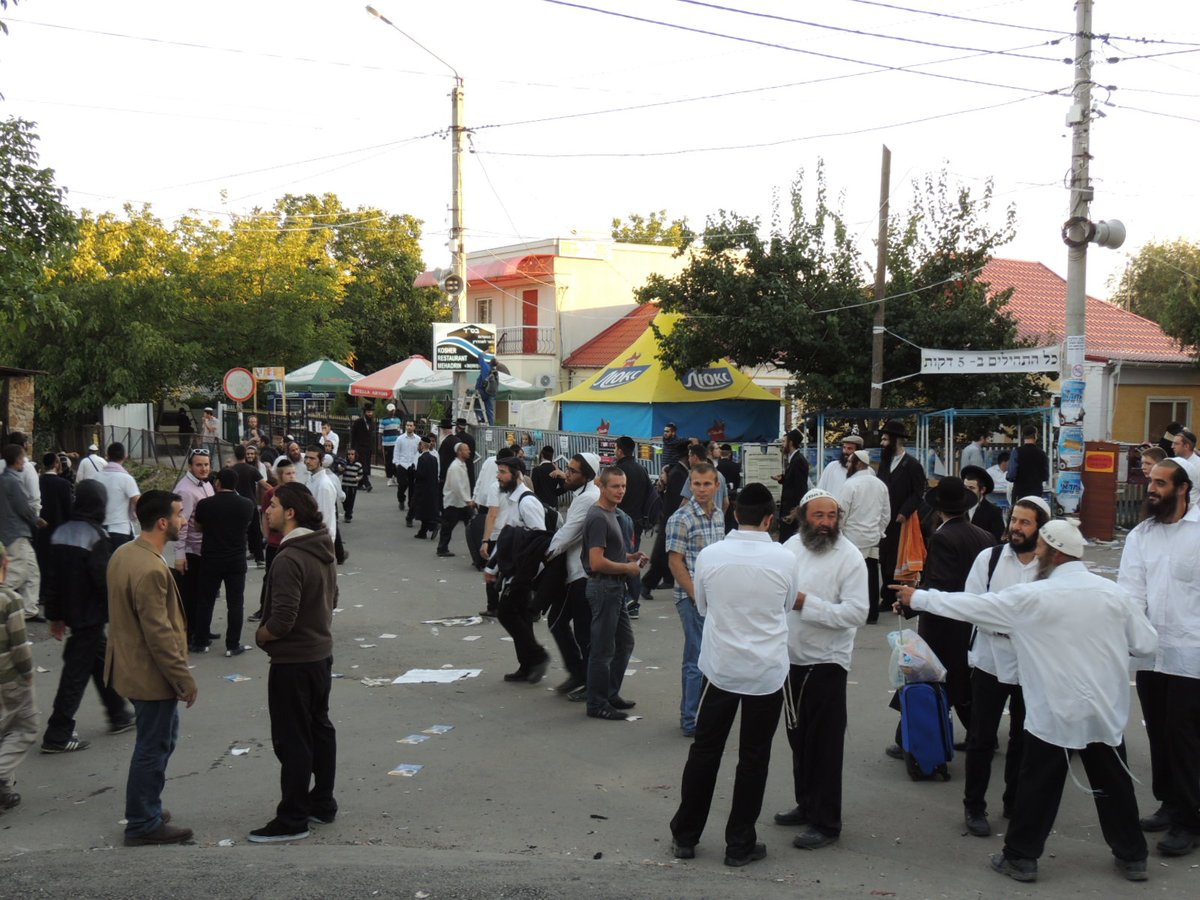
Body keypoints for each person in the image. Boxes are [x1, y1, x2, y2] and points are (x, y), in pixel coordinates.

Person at [894, 519, 1158, 884]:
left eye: (1041, 550)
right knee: (1114, 785)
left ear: (1054, 552)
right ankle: (1132, 858)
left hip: (1053, 712)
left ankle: (1021, 857)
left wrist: (917, 597)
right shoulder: (1112, 594)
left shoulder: (1033, 597)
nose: (1036, 556)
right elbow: (1146, 644)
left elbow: (971, 606)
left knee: (1037, 788)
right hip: (1104, 711)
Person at [669, 483, 796, 867]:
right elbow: (788, 604)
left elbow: (703, 604)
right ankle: (739, 843)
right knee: (754, 758)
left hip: (721, 668)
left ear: (734, 513)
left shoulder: (711, 555)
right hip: (766, 672)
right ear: (770, 519)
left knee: (705, 751)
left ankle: (686, 836)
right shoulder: (785, 558)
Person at [768, 489, 867, 850]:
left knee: (824, 745)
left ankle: (826, 823)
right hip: (789, 658)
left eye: (832, 516)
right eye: (819, 516)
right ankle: (806, 804)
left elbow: (857, 613)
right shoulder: (788, 549)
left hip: (827, 662)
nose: (826, 523)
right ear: (802, 516)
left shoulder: (850, 557)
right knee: (799, 739)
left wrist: (808, 604)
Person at [105, 490, 197, 846]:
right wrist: (183, 679)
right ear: (163, 522)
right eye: (178, 514)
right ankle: (143, 821)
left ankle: (148, 808)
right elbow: (159, 634)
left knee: (160, 739)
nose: (183, 520)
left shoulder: (124, 553)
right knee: (153, 746)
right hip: (150, 673)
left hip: (129, 667)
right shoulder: (150, 568)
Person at [1119, 459, 1200, 856]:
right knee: (1159, 733)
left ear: (1183, 488)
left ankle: (1190, 820)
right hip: (1152, 655)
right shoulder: (1140, 535)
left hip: (1192, 655)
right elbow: (1131, 592)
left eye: (1160, 483)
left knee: (1186, 737)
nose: (1151, 488)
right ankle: (1169, 804)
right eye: (1150, 481)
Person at [249, 482, 338, 843]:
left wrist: (262, 635)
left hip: (294, 660)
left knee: (293, 739)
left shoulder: (289, 558)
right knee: (319, 729)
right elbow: (333, 598)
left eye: (273, 505)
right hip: (319, 655)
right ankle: (322, 802)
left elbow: (283, 617)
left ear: (290, 513)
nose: (266, 510)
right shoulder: (321, 548)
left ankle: (293, 817)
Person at [887, 476, 995, 758]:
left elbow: (939, 584)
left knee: (926, 676)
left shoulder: (943, 537)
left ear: (938, 510)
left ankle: (910, 738)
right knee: (960, 682)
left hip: (944, 621)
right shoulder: (983, 536)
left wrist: (910, 602)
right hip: (971, 618)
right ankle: (980, 734)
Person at [961, 496, 1048, 838]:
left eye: (1025, 522)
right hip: (989, 658)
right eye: (1015, 520)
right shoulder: (990, 558)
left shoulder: (1048, 565)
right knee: (981, 738)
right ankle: (974, 806)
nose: (1016, 527)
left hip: (1031, 662)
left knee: (1024, 738)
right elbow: (971, 605)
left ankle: (1015, 801)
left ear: (1040, 527)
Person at [41, 480, 134, 754]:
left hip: (72, 614)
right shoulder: (96, 537)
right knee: (75, 674)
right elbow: (104, 581)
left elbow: (53, 579)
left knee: (99, 662)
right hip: (90, 617)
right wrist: (121, 613)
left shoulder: (61, 533)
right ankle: (58, 732)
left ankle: (118, 712)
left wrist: (55, 615)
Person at [667, 461, 726, 737]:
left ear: (716, 486)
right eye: (696, 484)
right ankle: (690, 719)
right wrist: (696, 595)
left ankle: (704, 712)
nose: (701, 489)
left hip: (715, 597)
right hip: (690, 597)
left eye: (706, 484)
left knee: (711, 656)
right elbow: (675, 563)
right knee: (695, 658)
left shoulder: (718, 516)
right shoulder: (681, 518)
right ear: (690, 485)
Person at [582, 467, 645, 720]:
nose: (620, 491)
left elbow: (610, 553)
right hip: (604, 587)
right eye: (615, 486)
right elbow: (596, 562)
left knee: (625, 643)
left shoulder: (611, 515)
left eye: (623, 486)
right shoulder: (598, 516)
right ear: (602, 486)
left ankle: (609, 693)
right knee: (603, 649)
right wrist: (627, 568)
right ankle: (596, 703)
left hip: (614, 587)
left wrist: (631, 557)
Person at [486, 456, 552, 683]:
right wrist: (492, 566)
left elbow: (539, 540)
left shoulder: (527, 502)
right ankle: (527, 666)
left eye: (503, 472)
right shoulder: (512, 500)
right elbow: (507, 535)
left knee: (506, 613)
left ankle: (537, 655)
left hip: (524, 573)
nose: (498, 476)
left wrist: (525, 577)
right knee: (521, 617)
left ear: (516, 474)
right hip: (514, 570)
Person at [543, 453, 601, 697]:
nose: (567, 474)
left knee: (573, 628)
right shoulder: (585, 496)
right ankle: (581, 675)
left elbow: (569, 534)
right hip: (578, 572)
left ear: (587, 476)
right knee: (568, 625)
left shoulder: (587, 499)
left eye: (573, 471)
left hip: (579, 574)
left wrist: (544, 555)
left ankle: (586, 679)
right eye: (568, 469)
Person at [193, 469, 256, 658]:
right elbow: (247, 525)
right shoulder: (246, 504)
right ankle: (233, 644)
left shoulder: (205, 504)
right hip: (236, 559)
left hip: (211, 557)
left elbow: (197, 527)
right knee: (235, 603)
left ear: (217, 483)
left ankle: (201, 641)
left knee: (205, 600)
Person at [0, 541, 37, 814]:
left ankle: (5, 790)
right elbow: (20, 646)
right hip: (10, 677)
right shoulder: (9, 600)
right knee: (26, 728)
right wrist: (27, 673)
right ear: (6, 563)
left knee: (4, 729)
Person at [876, 419, 926, 612]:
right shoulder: (884, 462)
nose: (882, 443)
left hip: (900, 519)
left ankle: (895, 597)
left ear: (896, 440)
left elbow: (918, 492)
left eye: (885, 439)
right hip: (884, 519)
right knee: (884, 557)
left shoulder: (911, 464)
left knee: (896, 560)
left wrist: (904, 512)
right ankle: (887, 596)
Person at [837, 449, 890, 625]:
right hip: (873, 538)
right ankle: (872, 613)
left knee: (853, 577)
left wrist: (840, 533)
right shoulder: (880, 484)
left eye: (850, 461)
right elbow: (886, 514)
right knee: (872, 574)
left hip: (852, 539)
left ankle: (854, 612)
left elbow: (842, 513)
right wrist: (878, 531)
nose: (847, 464)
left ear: (859, 463)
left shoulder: (850, 485)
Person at [171, 448, 214, 651]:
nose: (203, 468)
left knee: (203, 593)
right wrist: (180, 555)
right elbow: (181, 524)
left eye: (206, 464)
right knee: (191, 595)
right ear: (190, 466)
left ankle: (201, 628)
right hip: (191, 551)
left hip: (204, 548)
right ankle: (189, 634)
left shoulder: (206, 485)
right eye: (199, 464)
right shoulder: (186, 490)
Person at [249, 458, 297, 624]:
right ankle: (264, 608)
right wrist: (267, 536)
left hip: (293, 541)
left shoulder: (299, 493)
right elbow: (265, 515)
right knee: (269, 577)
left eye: (293, 473)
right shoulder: (272, 494)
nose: (291, 477)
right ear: (279, 476)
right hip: (275, 543)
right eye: (288, 474)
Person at [0, 444, 44, 622]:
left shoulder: (3, 479)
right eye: (23, 456)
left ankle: (29, 609)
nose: (25, 459)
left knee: (32, 571)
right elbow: (22, 507)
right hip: (16, 531)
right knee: (18, 573)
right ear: (18, 459)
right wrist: (36, 520)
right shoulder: (13, 481)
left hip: (7, 531)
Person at [437, 443, 474, 558]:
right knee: (448, 526)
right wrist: (468, 500)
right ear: (459, 452)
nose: (469, 452)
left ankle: (476, 549)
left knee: (472, 526)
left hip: (462, 502)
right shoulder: (455, 467)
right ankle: (442, 548)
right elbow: (457, 486)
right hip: (454, 502)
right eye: (466, 450)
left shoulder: (462, 464)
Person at [773, 430, 809, 544]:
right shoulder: (794, 459)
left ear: (791, 442)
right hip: (789, 508)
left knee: (789, 541)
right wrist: (783, 479)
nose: (783, 444)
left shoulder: (798, 461)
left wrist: (795, 512)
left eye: (784, 441)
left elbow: (800, 488)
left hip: (792, 511)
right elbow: (793, 481)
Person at [232, 444, 265, 566]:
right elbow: (264, 484)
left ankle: (237, 558)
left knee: (238, 532)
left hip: (236, 504)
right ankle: (259, 558)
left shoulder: (231, 470)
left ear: (235, 455)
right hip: (251, 503)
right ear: (245, 455)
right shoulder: (251, 469)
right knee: (255, 531)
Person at [614, 436, 651, 547]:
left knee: (619, 555)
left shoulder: (618, 471)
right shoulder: (642, 469)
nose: (614, 451)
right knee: (633, 553)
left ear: (620, 451)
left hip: (620, 519)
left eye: (615, 448)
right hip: (638, 520)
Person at [962, 465, 1005, 541]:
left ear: (982, 490)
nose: (967, 492)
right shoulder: (957, 508)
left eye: (971, 488)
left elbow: (996, 540)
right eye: (965, 487)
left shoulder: (994, 512)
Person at [1007, 425, 1049, 503]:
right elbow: (1045, 476)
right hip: (1036, 493)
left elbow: (1011, 475)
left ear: (1023, 436)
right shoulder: (1042, 453)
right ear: (1035, 436)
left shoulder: (1016, 452)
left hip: (1020, 492)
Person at [411, 435, 441, 540]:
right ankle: (423, 532)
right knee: (427, 509)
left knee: (421, 509)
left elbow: (420, 475)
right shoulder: (433, 458)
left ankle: (432, 525)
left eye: (420, 445)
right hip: (432, 487)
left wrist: (413, 471)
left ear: (422, 445)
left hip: (423, 488)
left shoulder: (422, 458)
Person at [392, 419, 421, 517]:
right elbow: (396, 451)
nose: (409, 427)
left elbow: (418, 453)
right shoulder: (400, 439)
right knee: (402, 484)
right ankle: (401, 499)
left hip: (413, 465)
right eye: (407, 425)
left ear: (414, 427)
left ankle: (411, 504)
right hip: (402, 464)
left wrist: (417, 464)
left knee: (412, 486)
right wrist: (396, 463)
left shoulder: (418, 439)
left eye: (411, 425)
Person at [1170, 428, 1200, 508]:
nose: (1172, 446)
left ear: (1186, 446)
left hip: (1193, 515)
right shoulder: (1175, 463)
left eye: (1176, 444)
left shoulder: (1198, 465)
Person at [350, 407, 375, 492]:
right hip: (359, 448)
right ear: (364, 412)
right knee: (362, 466)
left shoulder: (372, 422)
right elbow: (353, 435)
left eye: (371, 412)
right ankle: (367, 484)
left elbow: (371, 436)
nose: (370, 414)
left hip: (368, 448)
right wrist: (352, 448)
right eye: (368, 412)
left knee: (365, 466)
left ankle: (359, 484)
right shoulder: (358, 422)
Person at [380, 403, 402, 486]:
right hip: (387, 443)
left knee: (395, 460)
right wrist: (380, 444)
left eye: (393, 410)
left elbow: (399, 432)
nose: (392, 412)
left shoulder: (398, 420)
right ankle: (390, 477)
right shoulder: (383, 421)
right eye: (390, 411)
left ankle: (395, 477)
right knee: (389, 461)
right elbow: (380, 433)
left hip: (396, 444)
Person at [475, 354, 499, 425]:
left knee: (475, 404)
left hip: (482, 391)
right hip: (490, 394)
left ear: (490, 361)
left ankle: (482, 417)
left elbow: (480, 355)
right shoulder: (494, 371)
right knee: (490, 412)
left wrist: (486, 351)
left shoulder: (486, 367)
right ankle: (491, 428)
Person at [340, 448, 363, 523]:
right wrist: (341, 469)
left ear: (355, 455)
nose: (350, 456)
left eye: (352, 454)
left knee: (351, 501)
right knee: (344, 500)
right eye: (349, 454)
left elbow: (361, 474)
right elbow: (341, 472)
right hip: (345, 485)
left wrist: (358, 478)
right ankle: (348, 510)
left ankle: (348, 516)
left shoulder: (358, 465)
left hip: (353, 486)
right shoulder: (345, 463)